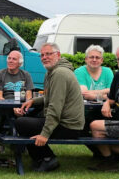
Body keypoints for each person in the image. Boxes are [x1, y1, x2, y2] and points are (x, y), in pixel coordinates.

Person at [13, 43, 85, 172]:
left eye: (48, 54)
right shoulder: (53, 72)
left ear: (58, 55)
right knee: (26, 119)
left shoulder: (59, 73)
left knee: (21, 123)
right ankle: (41, 158)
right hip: (65, 123)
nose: (44, 57)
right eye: (42, 55)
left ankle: (47, 158)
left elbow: (55, 106)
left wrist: (44, 135)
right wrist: (33, 101)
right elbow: (51, 97)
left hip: (69, 126)